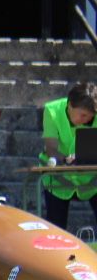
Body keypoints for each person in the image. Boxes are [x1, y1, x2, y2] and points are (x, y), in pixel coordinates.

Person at [38, 81, 97, 235]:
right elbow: (51, 149)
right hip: (58, 177)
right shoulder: (52, 111)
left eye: (89, 118)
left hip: (92, 179)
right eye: (82, 115)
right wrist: (65, 159)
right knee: (56, 226)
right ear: (70, 105)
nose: (85, 120)